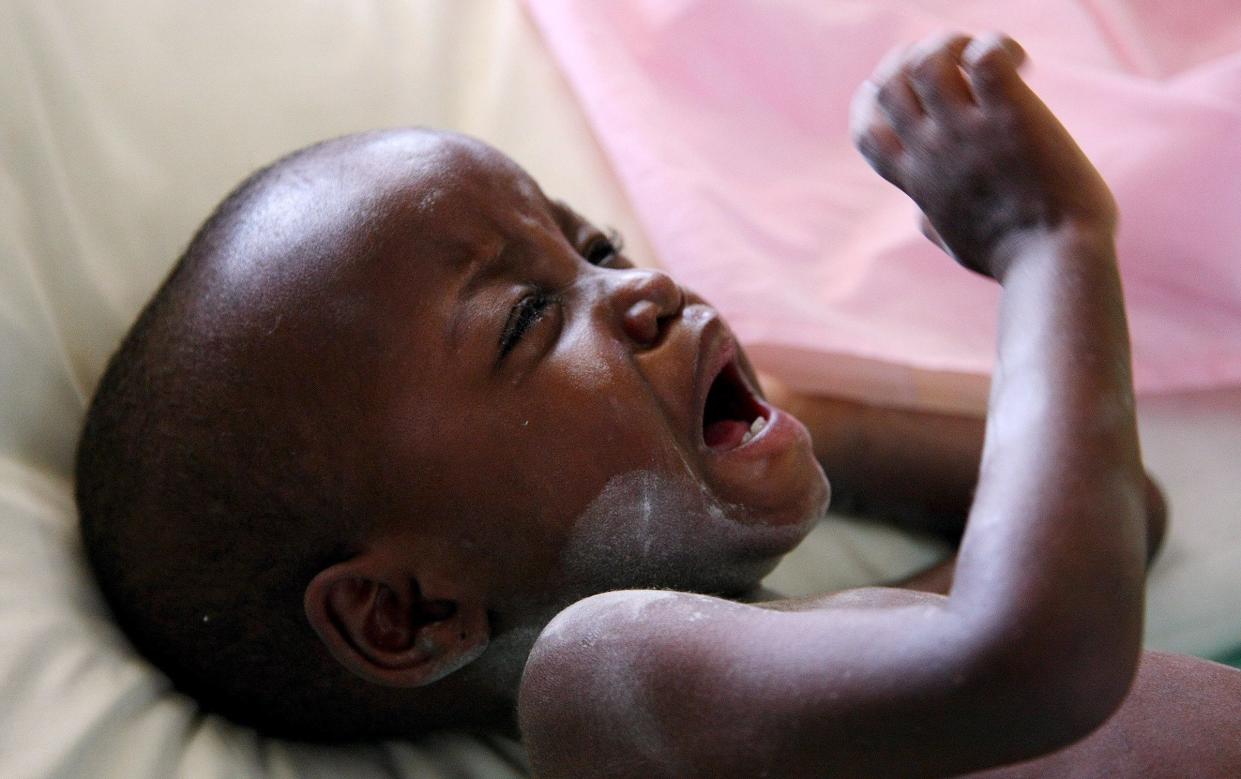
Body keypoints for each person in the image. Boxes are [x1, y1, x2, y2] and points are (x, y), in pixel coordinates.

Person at [74, 30, 1238, 775]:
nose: (644, 287)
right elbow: (1042, 656)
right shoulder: (603, 679)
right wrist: (1045, 246)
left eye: (598, 247)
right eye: (529, 317)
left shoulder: (845, 683)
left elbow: (1112, 518)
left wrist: (758, 405)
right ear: (409, 615)